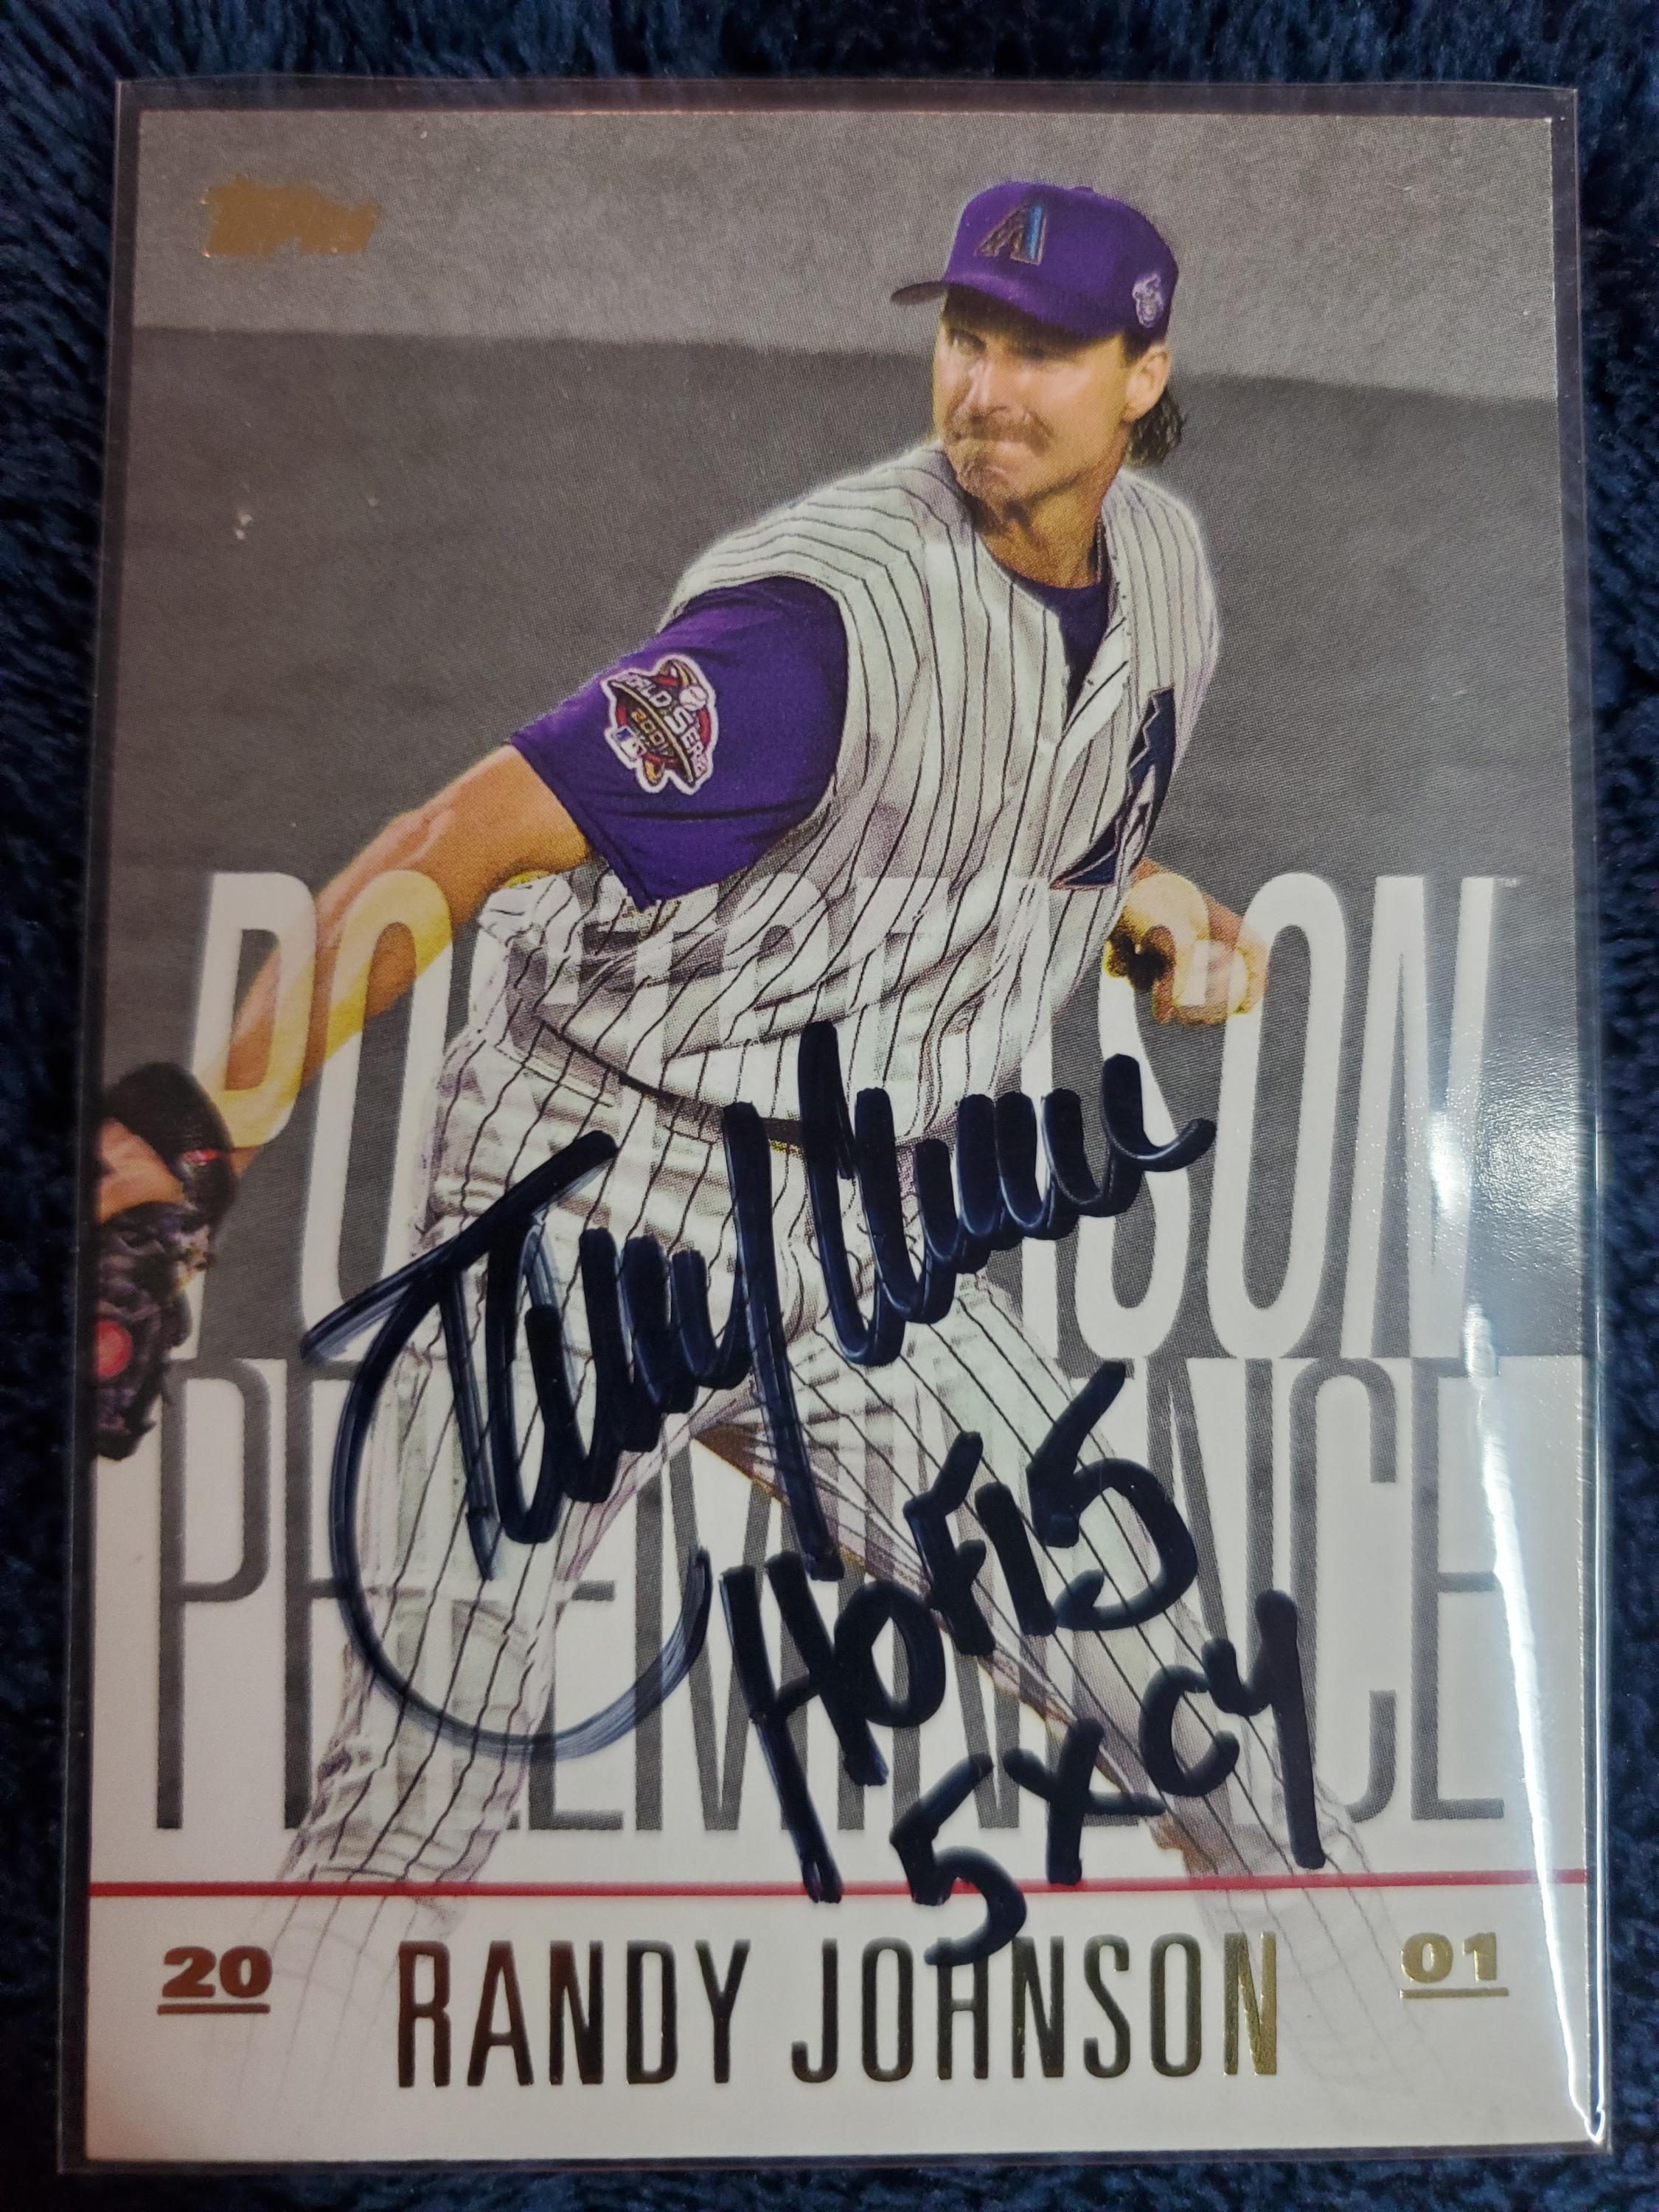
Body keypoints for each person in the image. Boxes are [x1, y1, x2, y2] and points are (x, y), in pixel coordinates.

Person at [97, 181, 1285, 1893]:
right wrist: (208, 1133)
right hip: (589, 1203)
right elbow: (456, 842)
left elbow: (983, 818)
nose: (985, 388)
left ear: (1144, 376)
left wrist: (1141, 900)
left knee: (1214, 1731)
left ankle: (1385, 2048)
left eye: (1042, 352)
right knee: (410, 1815)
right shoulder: (813, 627)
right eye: (966, 338)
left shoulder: (1161, 575)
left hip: (864, 1237)